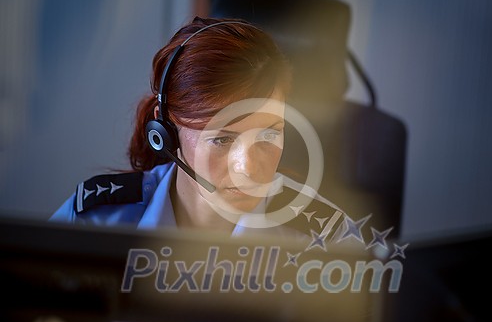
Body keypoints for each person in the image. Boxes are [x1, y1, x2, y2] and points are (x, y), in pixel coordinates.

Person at [51, 16, 350, 243]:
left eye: (269, 134)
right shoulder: (94, 221)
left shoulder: (326, 241)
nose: (247, 168)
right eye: (222, 139)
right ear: (165, 132)